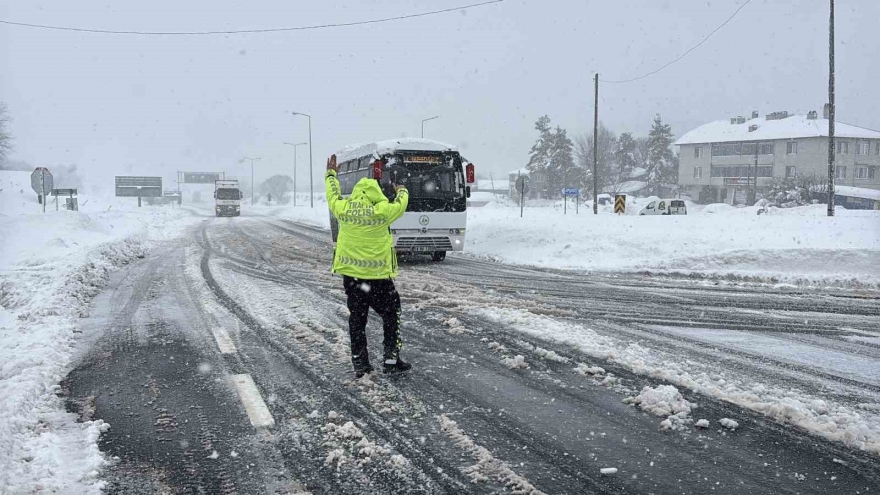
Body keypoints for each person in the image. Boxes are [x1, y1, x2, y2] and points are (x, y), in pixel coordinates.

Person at [325, 154, 411, 378]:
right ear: (376, 194)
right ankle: (391, 358)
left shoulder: (344, 209)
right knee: (391, 313)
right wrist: (401, 188)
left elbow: (332, 195)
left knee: (357, 318)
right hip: (379, 278)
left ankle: (360, 363)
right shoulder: (382, 212)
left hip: (353, 279)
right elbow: (402, 204)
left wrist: (331, 174)